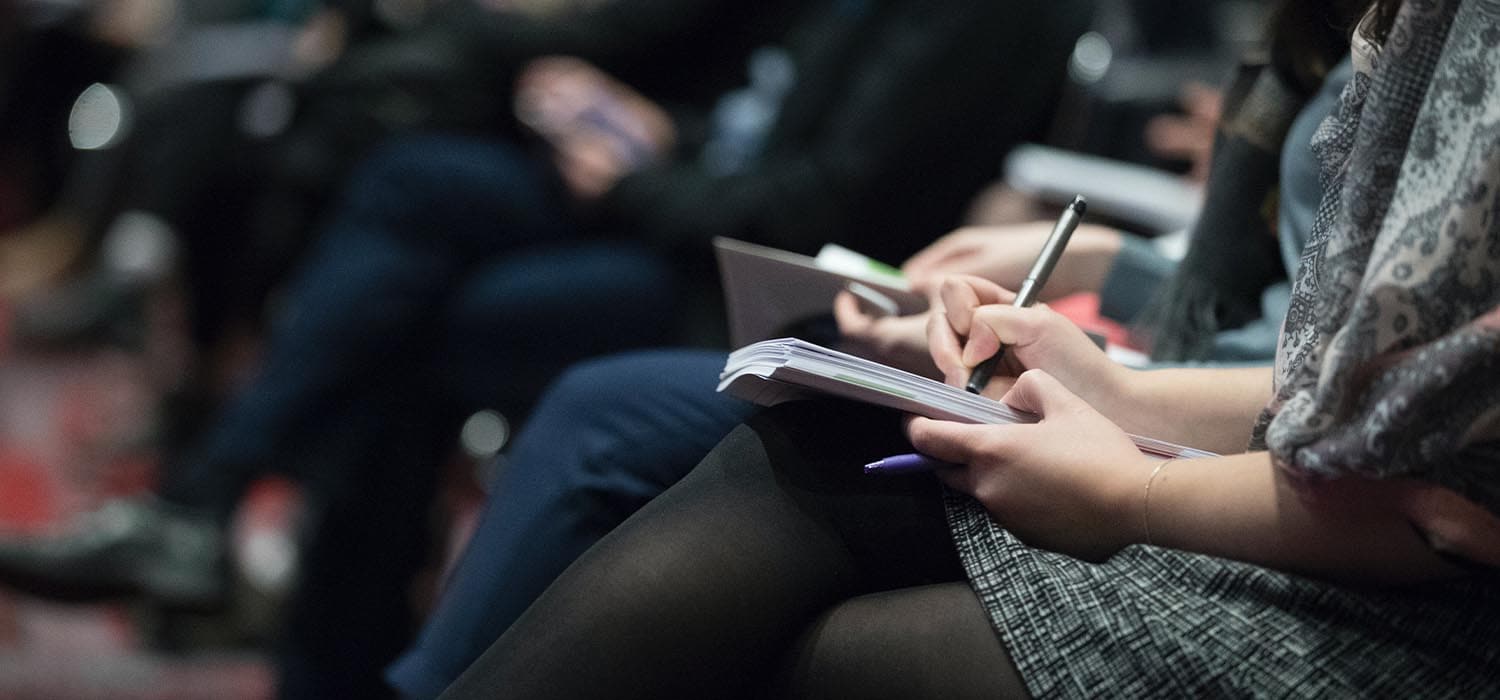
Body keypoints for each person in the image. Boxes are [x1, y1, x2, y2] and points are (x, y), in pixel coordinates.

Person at [0, 1, 1094, 696]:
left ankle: (253, 560)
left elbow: (815, 204)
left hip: (771, 289)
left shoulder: (986, 20)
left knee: (419, 323)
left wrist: (636, 176)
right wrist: (640, 124)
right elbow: (739, 99)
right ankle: (237, 543)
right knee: (406, 181)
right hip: (689, 205)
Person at [432, 0, 1500, 696]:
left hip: (1426, 613)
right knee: (798, 444)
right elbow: (1333, 380)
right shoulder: (1384, 30)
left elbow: (1440, 500)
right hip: (1283, 459)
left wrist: (1131, 480)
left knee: (816, 637)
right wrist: (1107, 382)